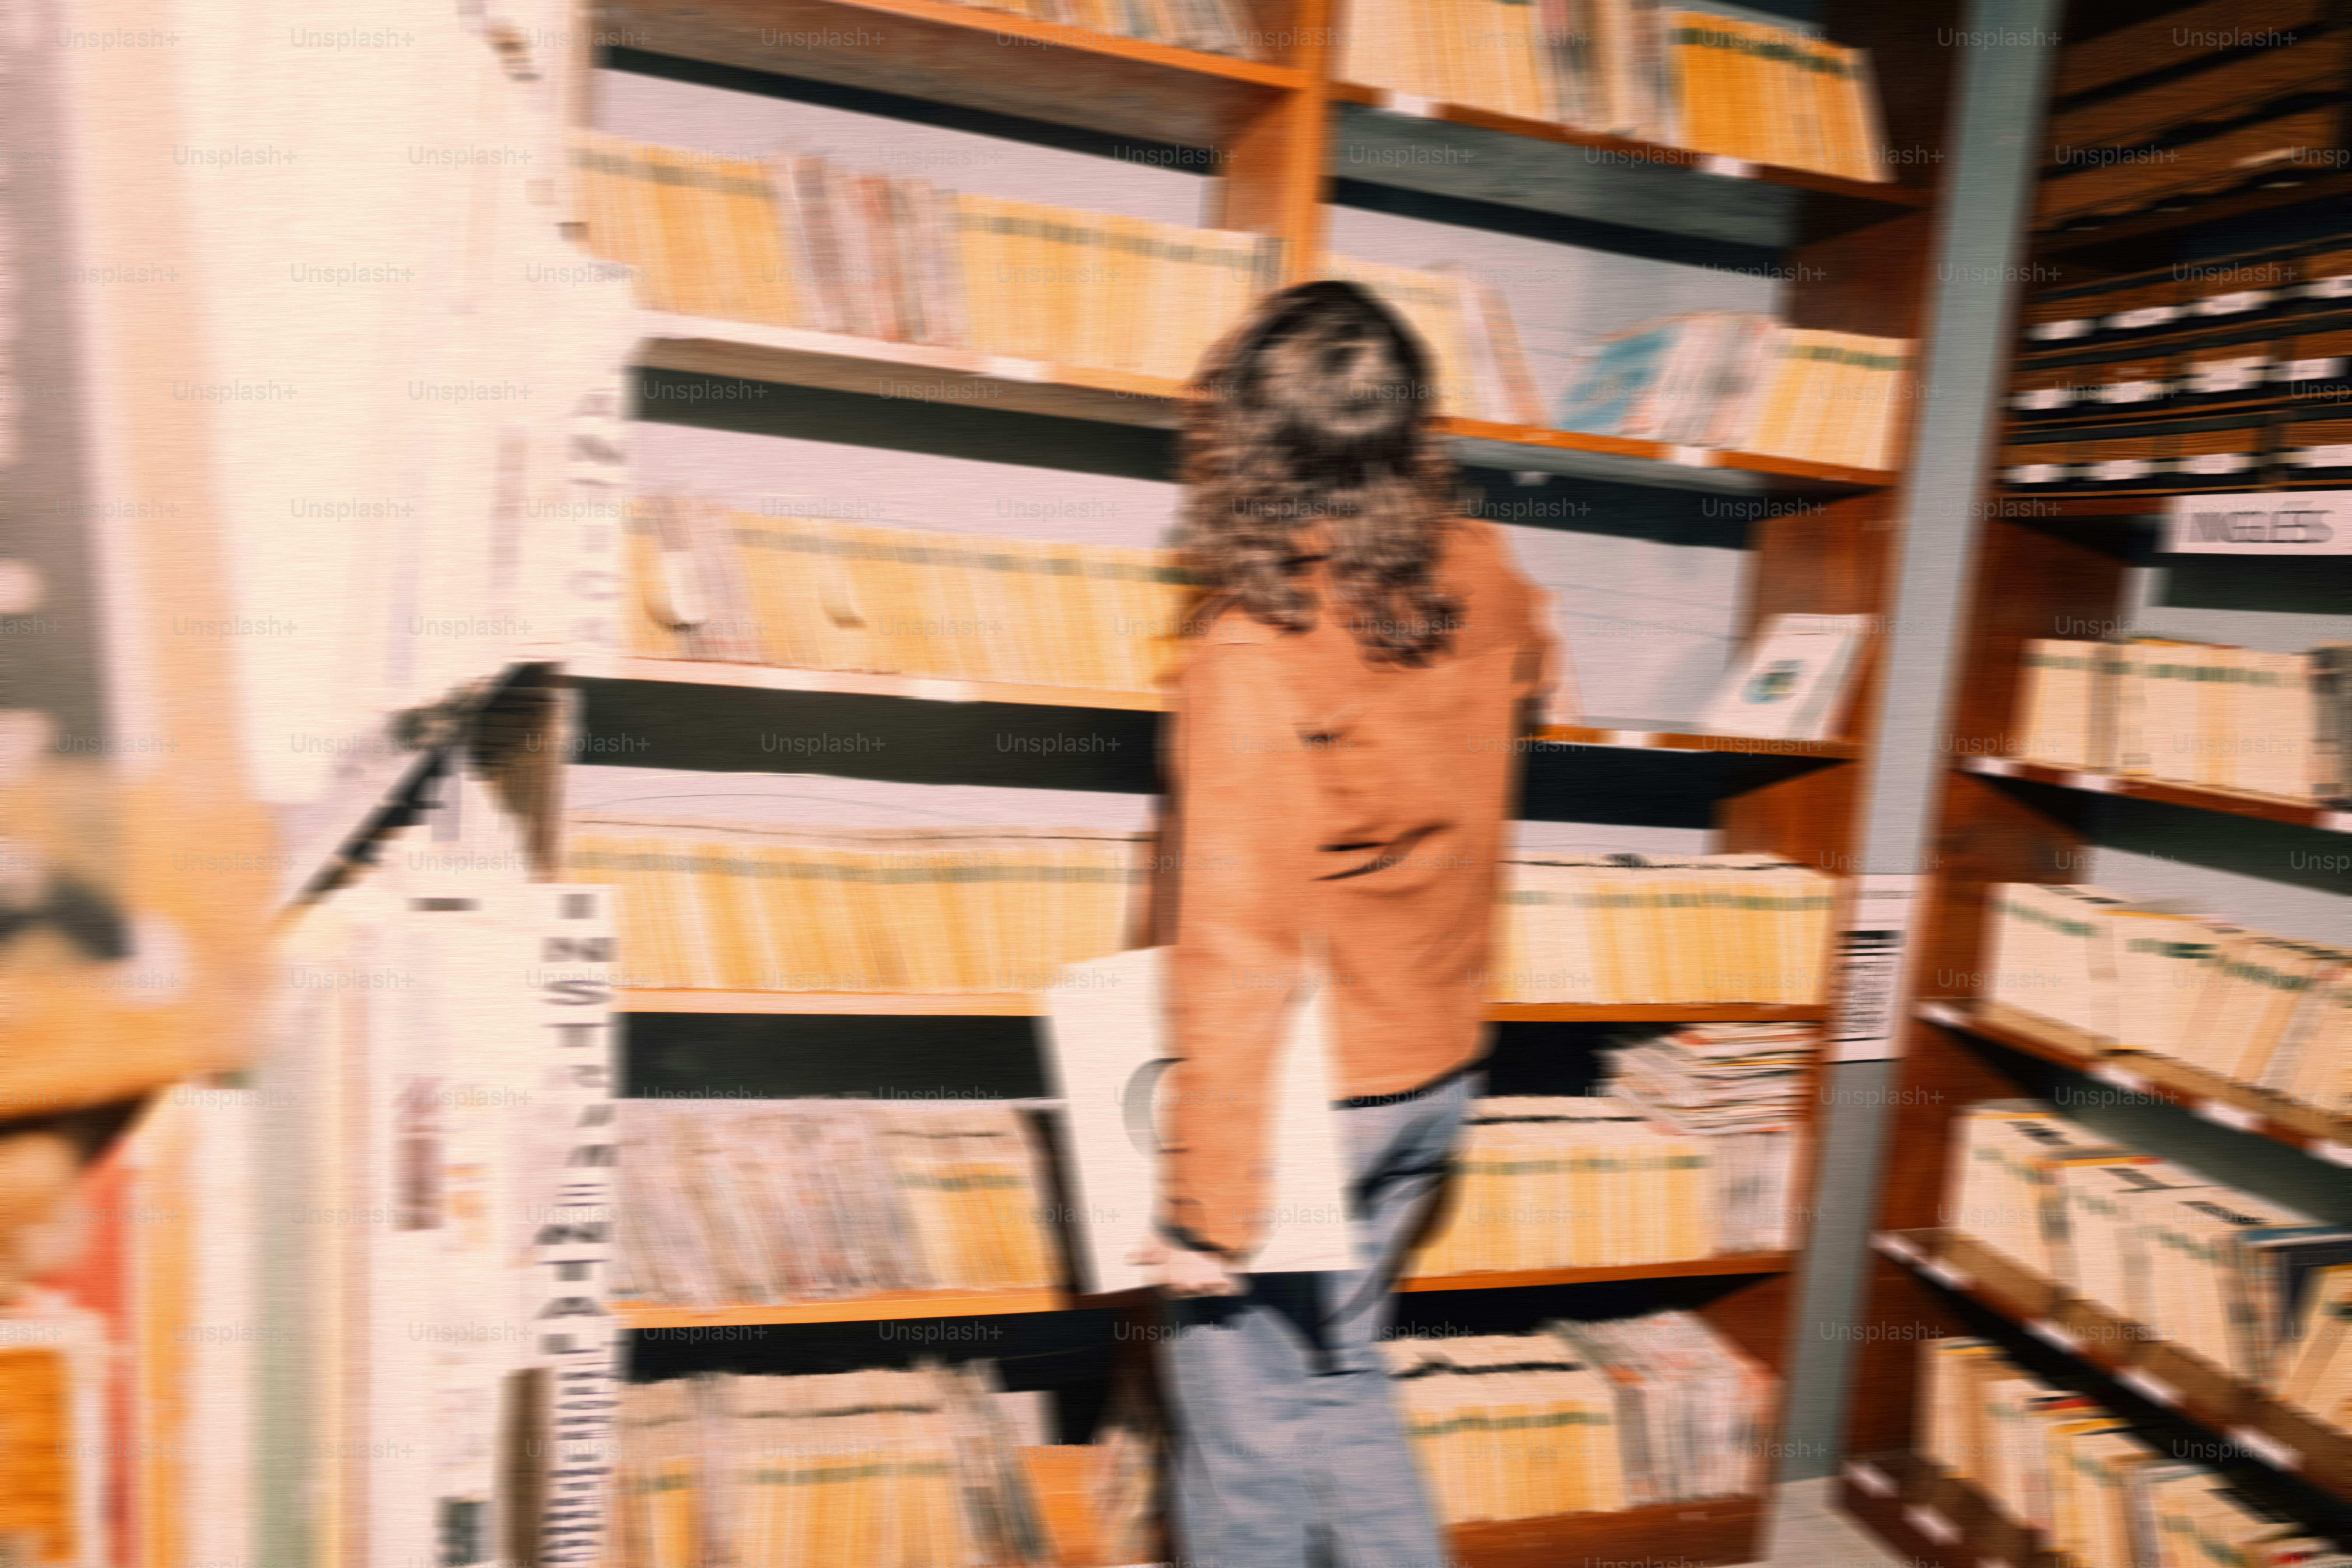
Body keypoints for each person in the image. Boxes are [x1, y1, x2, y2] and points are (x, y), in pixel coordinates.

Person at [1134, 279, 1560, 1568]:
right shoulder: (1486, 577)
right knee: (1341, 1379)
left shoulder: (1253, 651)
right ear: (1410, 432)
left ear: (1246, 452)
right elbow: (1535, 680)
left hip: (1307, 1100)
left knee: (1246, 1440)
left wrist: (1207, 1206)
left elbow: (1241, 938)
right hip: (1433, 1070)